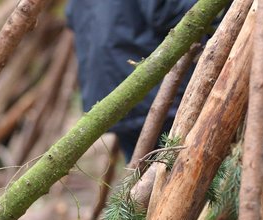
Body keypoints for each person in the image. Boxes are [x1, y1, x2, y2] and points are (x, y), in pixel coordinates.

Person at [65, 0, 198, 162]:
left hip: (107, 98)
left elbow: (72, 17)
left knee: (144, 173)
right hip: (152, 93)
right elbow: (166, 12)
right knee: (179, 167)